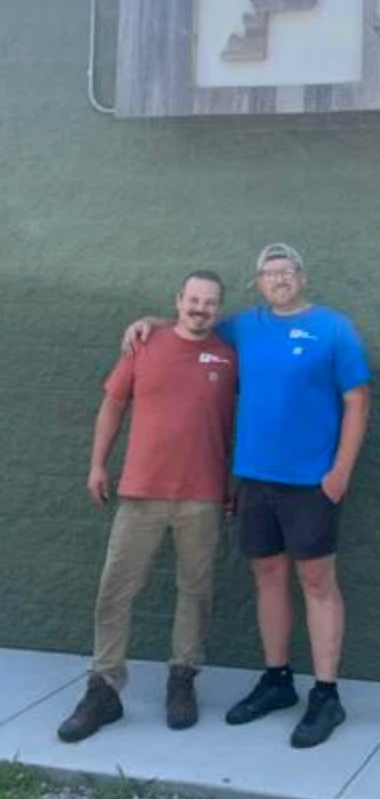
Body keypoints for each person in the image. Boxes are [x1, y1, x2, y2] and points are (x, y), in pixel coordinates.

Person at [123, 244, 371, 749]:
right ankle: (277, 680)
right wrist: (148, 321)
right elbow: (192, 328)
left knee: (318, 581)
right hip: (255, 480)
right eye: (269, 272)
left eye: (288, 270)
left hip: (312, 483)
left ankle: (326, 696)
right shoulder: (242, 328)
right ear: (257, 282)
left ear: (303, 276)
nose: (279, 278)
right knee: (268, 576)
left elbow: (357, 400)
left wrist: (340, 471)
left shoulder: (334, 329)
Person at [58, 271, 237, 743]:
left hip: (203, 495)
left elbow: (255, 415)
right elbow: (113, 405)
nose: (201, 308)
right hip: (140, 493)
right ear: (178, 300)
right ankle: (104, 689)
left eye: (210, 302)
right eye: (193, 299)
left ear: (219, 309)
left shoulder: (230, 352)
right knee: (114, 590)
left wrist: (238, 480)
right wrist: (98, 465)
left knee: (195, 592)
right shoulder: (144, 343)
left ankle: (182, 679)